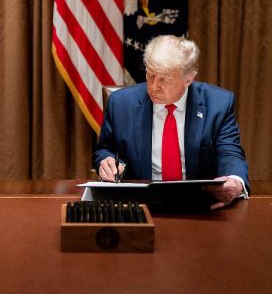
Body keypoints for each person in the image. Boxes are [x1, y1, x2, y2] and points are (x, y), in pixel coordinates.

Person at [94, 35, 249, 210]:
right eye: (150, 75)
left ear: (188, 80)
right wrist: (105, 161)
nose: (153, 87)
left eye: (164, 80)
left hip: (199, 204)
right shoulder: (121, 103)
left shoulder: (217, 104)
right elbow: (105, 148)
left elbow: (230, 152)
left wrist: (235, 180)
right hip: (140, 203)